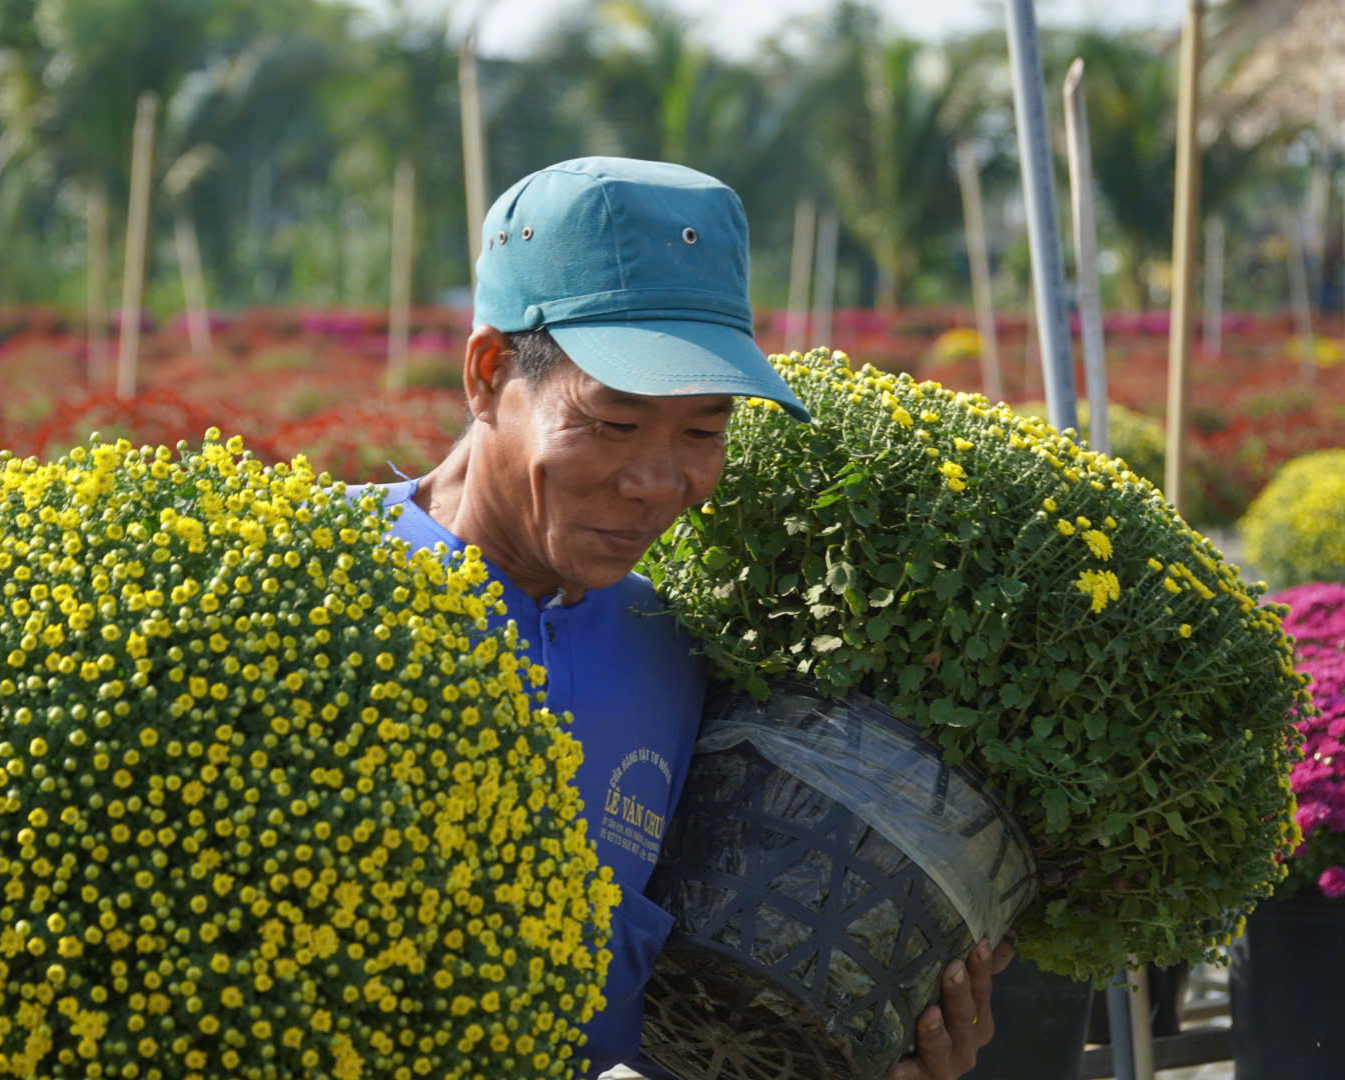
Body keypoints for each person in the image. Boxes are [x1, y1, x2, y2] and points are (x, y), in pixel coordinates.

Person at [374, 156, 1012, 1080]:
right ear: (487, 374)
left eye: (704, 432)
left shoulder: (676, 653)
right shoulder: (322, 585)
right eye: (615, 424)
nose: (659, 483)